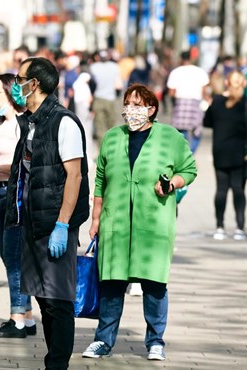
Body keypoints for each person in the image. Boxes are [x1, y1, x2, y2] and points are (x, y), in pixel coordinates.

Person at [81, 84, 197, 361]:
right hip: (115, 222)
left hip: (153, 225)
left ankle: (155, 340)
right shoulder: (112, 137)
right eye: (128, 104)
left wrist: (172, 185)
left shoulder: (170, 137)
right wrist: (95, 218)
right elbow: (100, 180)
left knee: (154, 284)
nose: (131, 111)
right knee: (111, 283)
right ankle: (103, 340)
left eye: (137, 105)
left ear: (151, 109)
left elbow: (189, 169)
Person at [4, 57, 91, 370]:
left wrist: (63, 224)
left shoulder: (64, 122)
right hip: (31, 222)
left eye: (20, 77)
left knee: (57, 301)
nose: (16, 84)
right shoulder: (32, 120)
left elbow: (75, 176)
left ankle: (57, 364)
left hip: (55, 223)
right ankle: (53, 360)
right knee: (42, 298)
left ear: (34, 84)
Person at [0, 74, 37, 339]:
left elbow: (25, 163)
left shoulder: (22, 126)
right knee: (9, 257)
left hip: (17, 196)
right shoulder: (0, 123)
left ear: (11, 95)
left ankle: (16, 320)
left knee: (14, 259)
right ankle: (26, 315)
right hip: (1, 194)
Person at [203, 71, 247, 241]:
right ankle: (239, 228)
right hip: (240, 153)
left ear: (227, 83)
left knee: (221, 189)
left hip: (220, 151)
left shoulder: (218, 101)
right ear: (244, 83)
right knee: (238, 190)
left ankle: (220, 227)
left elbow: (207, 122)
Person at [167, 50, 209, 154]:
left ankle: (184, 154)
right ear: (191, 58)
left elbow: (171, 92)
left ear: (181, 59)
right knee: (197, 132)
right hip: (196, 104)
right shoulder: (200, 71)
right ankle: (191, 153)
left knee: (182, 131)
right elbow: (204, 90)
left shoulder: (175, 72)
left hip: (181, 103)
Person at [90, 51, 123, 144]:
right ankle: (112, 148)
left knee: (100, 127)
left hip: (98, 98)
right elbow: (118, 85)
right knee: (111, 126)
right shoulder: (115, 67)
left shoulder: (94, 67)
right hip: (110, 99)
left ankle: (102, 150)